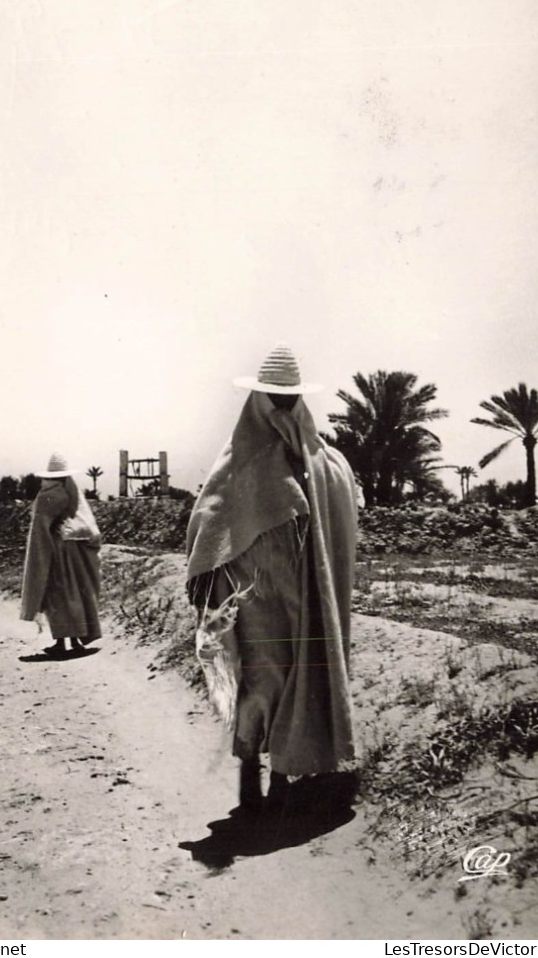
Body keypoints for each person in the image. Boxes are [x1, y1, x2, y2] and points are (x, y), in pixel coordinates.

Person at [186, 343, 358, 811]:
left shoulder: (320, 461)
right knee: (265, 680)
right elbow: (209, 526)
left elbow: (339, 530)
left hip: (301, 594)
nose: (280, 406)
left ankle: (276, 777)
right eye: (274, 398)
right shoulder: (246, 462)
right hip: (256, 598)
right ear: (260, 400)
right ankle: (256, 777)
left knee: (284, 679)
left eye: (286, 398)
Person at [20, 453, 102, 659]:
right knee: (75, 593)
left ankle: (60, 642)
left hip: (57, 550)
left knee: (57, 595)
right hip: (76, 551)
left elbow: (40, 528)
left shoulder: (48, 495)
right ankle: (76, 640)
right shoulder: (73, 493)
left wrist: (39, 556)